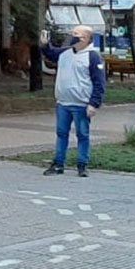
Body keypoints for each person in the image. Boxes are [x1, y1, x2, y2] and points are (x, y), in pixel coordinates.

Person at [40, 25, 106, 177]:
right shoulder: (65, 52)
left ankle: (82, 165)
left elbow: (99, 83)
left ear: (85, 38)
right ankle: (58, 164)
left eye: (75, 34)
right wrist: (44, 44)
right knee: (61, 133)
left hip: (82, 105)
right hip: (63, 103)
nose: (71, 36)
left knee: (83, 135)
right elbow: (50, 53)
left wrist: (93, 104)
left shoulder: (93, 57)